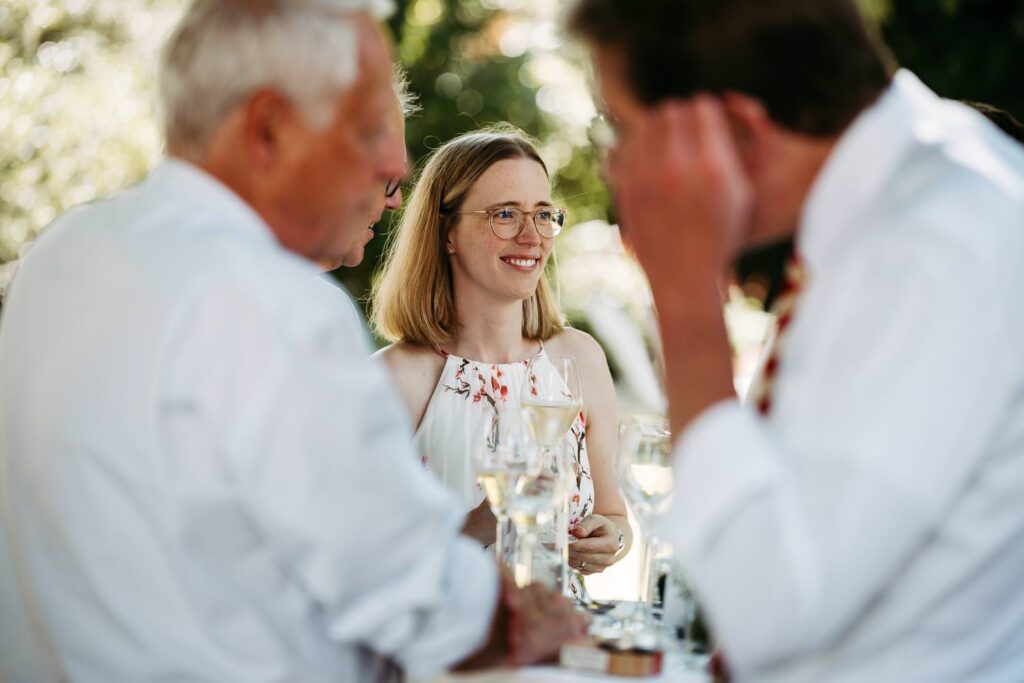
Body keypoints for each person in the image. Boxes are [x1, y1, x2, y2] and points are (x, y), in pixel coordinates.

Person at [0, 1, 586, 681]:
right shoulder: (269, 300)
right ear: (269, 128)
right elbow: (407, 587)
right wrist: (524, 618)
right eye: (369, 130)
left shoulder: (64, 252)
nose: (396, 167)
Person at [568, 0, 1024, 681]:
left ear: (740, 129)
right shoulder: (906, 198)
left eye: (622, 129)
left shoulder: (928, 246)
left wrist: (685, 288)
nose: (614, 167)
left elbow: (767, 607)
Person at [371, 128, 631, 581]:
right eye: (506, 214)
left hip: (561, 641)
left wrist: (609, 538)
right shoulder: (397, 379)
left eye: (543, 214)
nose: (532, 236)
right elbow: (361, 561)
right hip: (448, 645)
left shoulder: (580, 360)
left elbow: (615, 517)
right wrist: (480, 524)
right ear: (446, 231)